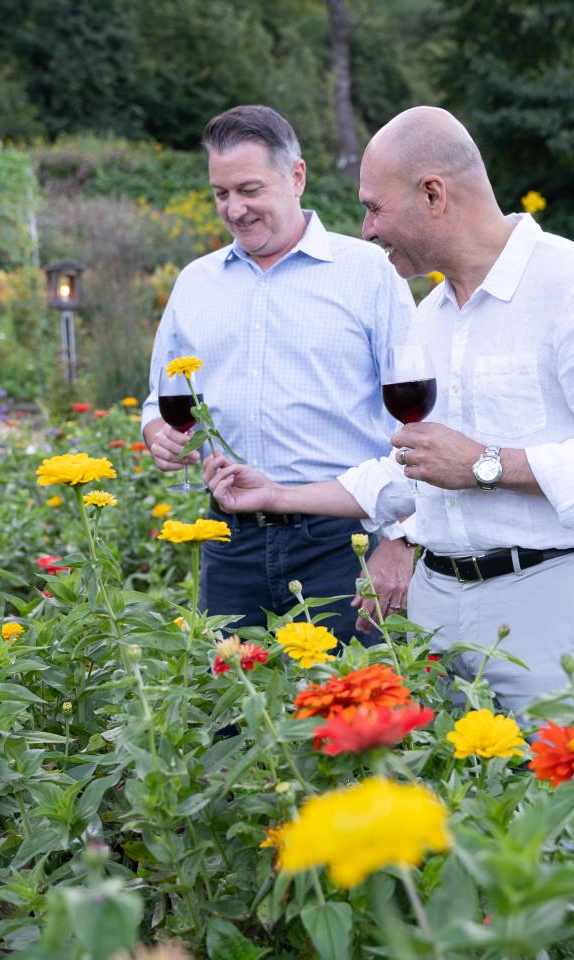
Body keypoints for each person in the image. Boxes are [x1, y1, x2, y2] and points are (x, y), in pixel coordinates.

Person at [204, 105, 574, 718]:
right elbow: (412, 473)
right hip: (436, 613)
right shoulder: (428, 318)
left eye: (375, 208)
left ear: (433, 193)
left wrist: (486, 464)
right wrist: (277, 495)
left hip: (552, 603)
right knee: (466, 810)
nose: (368, 229)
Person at [140, 104, 417, 640]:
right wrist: (160, 436)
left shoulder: (368, 275)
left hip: (344, 543)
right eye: (221, 193)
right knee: (232, 716)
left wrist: (402, 538)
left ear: (297, 177)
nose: (234, 209)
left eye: (249, 190)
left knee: (349, 712)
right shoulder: (196, 284)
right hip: (229, 544)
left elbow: (419, 419)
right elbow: (161, 403)